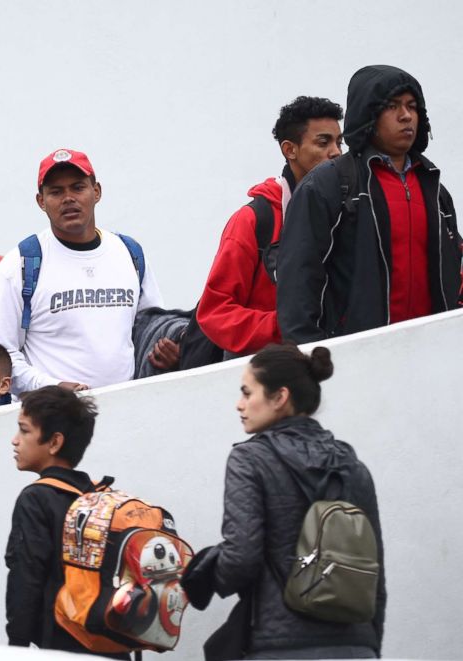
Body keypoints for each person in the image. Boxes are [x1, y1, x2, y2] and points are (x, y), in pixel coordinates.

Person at [189, 344, 385, 659]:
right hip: (355, 645)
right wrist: (370, 645)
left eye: (247, 393)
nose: (239, 405)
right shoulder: (352, 466)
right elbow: (375, 574)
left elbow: (241, 559)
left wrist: (204, 572)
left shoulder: (250, 459)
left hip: (281, 645)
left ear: (280, 397)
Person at [277, 65, 462, 342]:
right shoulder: (329, 184)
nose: (406, 116)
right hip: (357, 357)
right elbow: (299, 281)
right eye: (392, 106)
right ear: (368, 113)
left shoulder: (434, 187)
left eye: (412, 106)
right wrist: (313, 358)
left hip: (431, 350)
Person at [0, 149, 164, 395]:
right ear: (41, 201)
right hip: (53, 418)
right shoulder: (20, 265)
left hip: (127, 414)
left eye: (78, 187)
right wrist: (52, 388)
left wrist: (165, 350)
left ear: (96, 191)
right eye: (56, 192)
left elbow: (150, 328)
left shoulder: (129, 254)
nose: (68, 198)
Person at [197, 96, 344, 356]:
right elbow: (215, 312)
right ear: (290, 150)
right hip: (266, 376)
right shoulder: (253, 220)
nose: (336, 152)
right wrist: (289, 326)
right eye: (323, 142)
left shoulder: (348, 211)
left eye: (339, 142)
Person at [4, 386, 124, 657]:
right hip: (109, 642)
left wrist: (16, 648)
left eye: (24, 430)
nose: (15, 440)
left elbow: (26, 578)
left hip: (64, 645)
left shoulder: (36, 499)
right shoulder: (99, 496)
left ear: (54, 442)